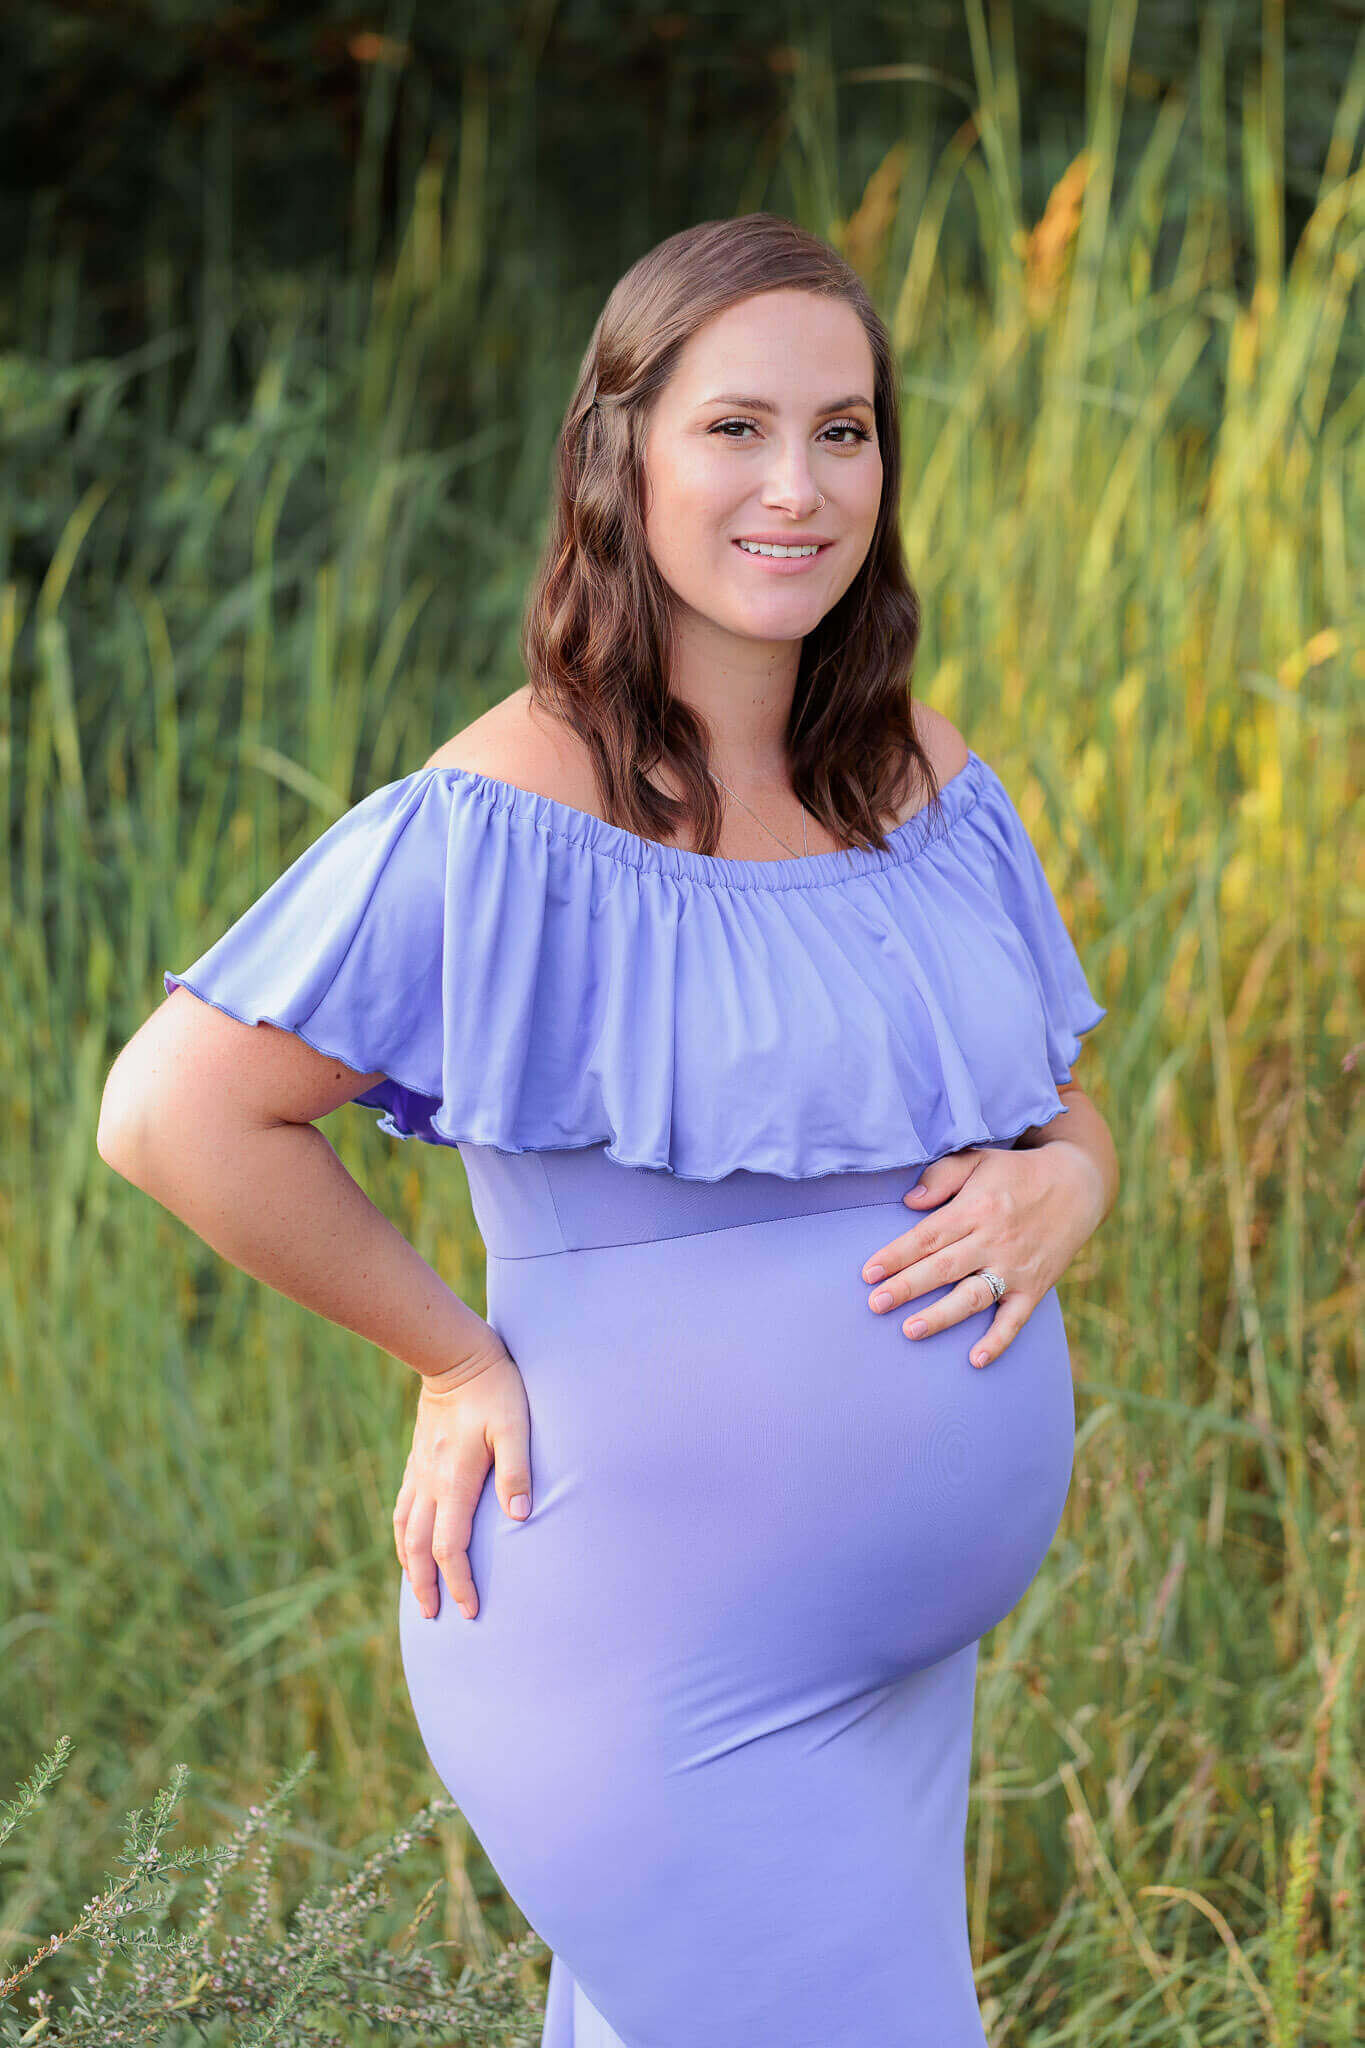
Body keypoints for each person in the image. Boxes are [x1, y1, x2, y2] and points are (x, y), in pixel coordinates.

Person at [98, 212, 1117, 2048]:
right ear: (619, 454)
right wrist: (451, 1355)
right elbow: (177, 1111)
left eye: (845, 429)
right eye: (734, 428)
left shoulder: (923, 778)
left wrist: (1071, 1185)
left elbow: (1057, 1101)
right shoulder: (507, 808)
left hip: (894, 1670)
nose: (797, 485)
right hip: (652, 1661)